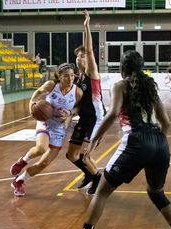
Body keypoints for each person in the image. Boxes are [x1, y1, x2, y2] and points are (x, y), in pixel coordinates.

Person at [60, 50, 171, 229]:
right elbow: (166, 123)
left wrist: (94, 139)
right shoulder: (151, 88)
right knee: (156, 193)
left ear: (122, 69)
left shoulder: (120, 85)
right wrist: (155, 146)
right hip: (160, 143)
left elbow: (112, 113)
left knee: (102, 191)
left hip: (136, 141)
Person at [10, 63, 82, 196]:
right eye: (66, 76)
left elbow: (79, 108)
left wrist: (71, 112)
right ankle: (23, 161)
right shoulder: (51, 85)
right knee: (41, 148)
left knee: (44, 163)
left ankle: (19, 181)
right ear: (60, 77)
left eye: (72, 75)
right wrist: (32, 104)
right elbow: (38, 92)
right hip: (45, 122)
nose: (70, 78)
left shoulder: (77, 92)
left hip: (59, 128)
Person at [66, 10, 105, 195]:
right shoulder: (79, 78)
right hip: (84, 117)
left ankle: (97, 178)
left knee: (84, 154)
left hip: (96, 118)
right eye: (78, 56)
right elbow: (80, 104)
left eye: (82, 55)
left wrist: (86, 26)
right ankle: (90, 175)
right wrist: (70, 112)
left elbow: (90, 50)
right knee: (71, 155)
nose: (79, 58)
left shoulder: (92, 72)